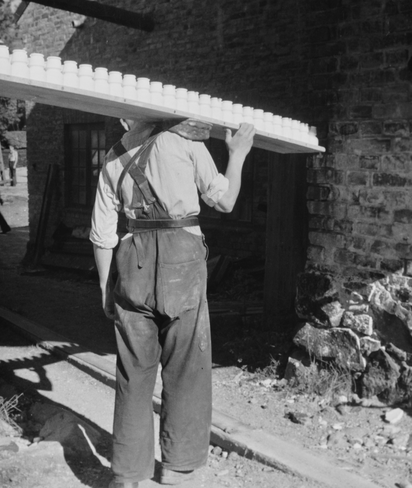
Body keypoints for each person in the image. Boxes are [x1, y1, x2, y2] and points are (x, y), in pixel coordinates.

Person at [90, 118, 255, 488]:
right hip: (182, 259)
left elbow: (102, 234)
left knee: (133, 372)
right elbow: (225, 200)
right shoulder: (185, 141)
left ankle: (128, 474)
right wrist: (238, 154)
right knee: (185, 366)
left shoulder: (113, 157)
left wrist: (104, 286)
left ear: (123, 119)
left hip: (132, 261)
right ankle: (178, 468)